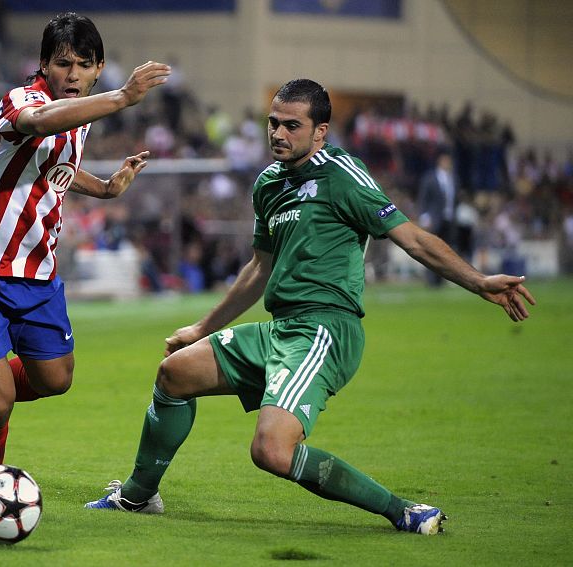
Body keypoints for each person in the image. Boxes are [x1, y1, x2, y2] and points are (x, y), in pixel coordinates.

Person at [84, 79, 535, 535]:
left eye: (292, 125)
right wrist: (202, 328)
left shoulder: (342, 173)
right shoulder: (268, 184)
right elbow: (259, 269)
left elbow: (412, 238)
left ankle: (403, 510)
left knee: (271, 451)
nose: (278, 133)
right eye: (273, 123)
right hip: (281, 329)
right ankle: (139, 496)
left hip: (324, 331)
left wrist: (478, 281)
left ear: (320, 131)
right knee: (175, 374)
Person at [0, 12, 170, 472]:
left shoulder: (79, 116)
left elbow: (53, 166)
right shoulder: (23, 101)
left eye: (84, 65)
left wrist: (105, 188)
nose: (73, 75)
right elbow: (39, 124)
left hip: (35, 275)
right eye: (63, 63)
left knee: (55, 378)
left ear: (98, 68)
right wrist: (121, 97)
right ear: (44, 64)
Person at [418, 149, 458, 286]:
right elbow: (423, 198)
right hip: (435, 219)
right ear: (440, 161)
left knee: (446, 249)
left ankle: (442, 278)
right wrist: (424, 216)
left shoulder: (454, 178)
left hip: (449, 219)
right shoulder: (430, 178)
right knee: (432, 249)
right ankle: (431, 279)